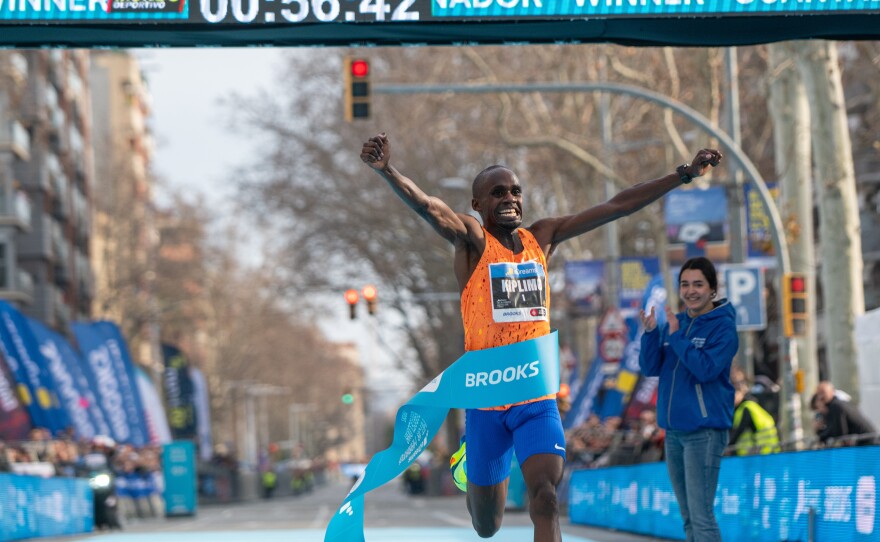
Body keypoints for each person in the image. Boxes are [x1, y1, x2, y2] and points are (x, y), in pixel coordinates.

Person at [361, 132, 722, 542]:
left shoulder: (543, 238)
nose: (510, 198)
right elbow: (429, 207)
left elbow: (617, 206)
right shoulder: (472, 240)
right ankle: (470, 457)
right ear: (477, 204)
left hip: (535, 397)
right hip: (486, 400)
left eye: (516, 191)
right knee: (486, 526)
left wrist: (683, 174)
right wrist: (388, 171)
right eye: (498, 193)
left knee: (546, 498)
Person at [638, 256, 738, 542]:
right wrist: (650, 333)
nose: (691, 291)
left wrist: (677, 338)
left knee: (701, 517)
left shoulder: (723, 327)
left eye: (698, 284)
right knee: (688, 518)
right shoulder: (676, 323)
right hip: (673, 433)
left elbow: (706, 369)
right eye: (685, 284)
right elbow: (650, 368)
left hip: (704, 433)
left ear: (712, 289)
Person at [811, 381, 877, 447]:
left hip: (867, 443)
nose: (821, 396)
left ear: (832, 392)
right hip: (866, 442)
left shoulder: (836, 405)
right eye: (819, 393)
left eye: (823, 392)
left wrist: (820, 433)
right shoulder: (838, 404)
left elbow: (839, 432)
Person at [728, 381, 780, 456]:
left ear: (741, 393)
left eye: (734, 395)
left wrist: (727, 446)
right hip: (768, 450)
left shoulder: (746, 408)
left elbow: (738, 431)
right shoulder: (749, 406)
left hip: (761, 451)